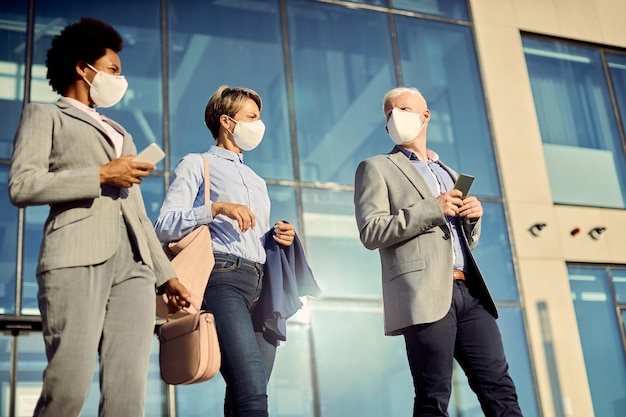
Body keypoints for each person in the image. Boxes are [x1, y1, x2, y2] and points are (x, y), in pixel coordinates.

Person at [8, 17, 191, 417]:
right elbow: (22, 185)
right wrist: (101, 175)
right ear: (81, 67)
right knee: (68, 387)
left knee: (128, 397)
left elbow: (138, 214)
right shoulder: (44, 115)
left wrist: (167, 274)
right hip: (75, 256)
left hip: (135, 269)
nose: (118, 80)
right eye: (112, 70)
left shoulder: (120, 132)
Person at [353, 87, 523, 417]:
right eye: (389, 113)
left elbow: (458, 243)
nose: (394, 117)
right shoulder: (376, 167)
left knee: (499, 387)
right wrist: (433, 208)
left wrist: (473, 219)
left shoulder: (451, 174)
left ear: (425, 116)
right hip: (423, 292)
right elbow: (371, 231)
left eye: (401, 109)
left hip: (470, 292)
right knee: (433, 394)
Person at [155, 85, 296, 417]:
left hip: (264, 286)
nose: (258, 124)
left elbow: (254, 235)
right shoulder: (197, 164)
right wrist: (215, 208)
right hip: (223, 279)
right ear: (227, 122)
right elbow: (164, 224)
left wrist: (280, 236)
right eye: (251, 117)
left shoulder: (257, 181)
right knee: (252, 394)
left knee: (247, 393)